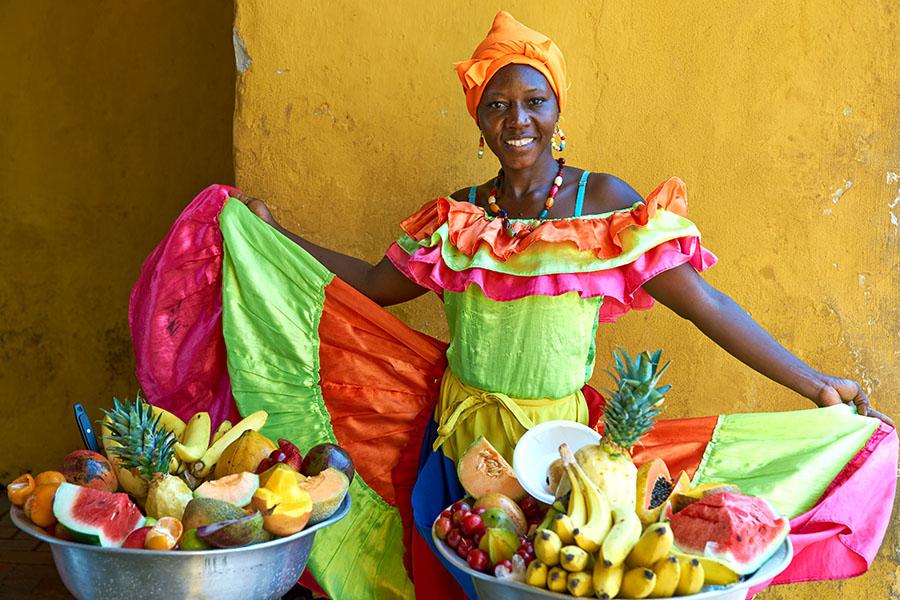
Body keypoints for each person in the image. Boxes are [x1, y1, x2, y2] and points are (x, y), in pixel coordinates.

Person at [131, 11, 893, 600]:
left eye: (534, 100)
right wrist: (273, 234)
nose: (517, 119)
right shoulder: (458, 220)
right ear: (479, 118)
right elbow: (367, 283)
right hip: (458, 446)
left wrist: (815, 384)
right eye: (498, 104)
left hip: (566, 454)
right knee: (461, 576)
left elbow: (704, 303)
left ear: (558, 108)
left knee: (556, 581)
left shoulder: (606, 209)